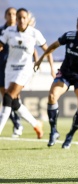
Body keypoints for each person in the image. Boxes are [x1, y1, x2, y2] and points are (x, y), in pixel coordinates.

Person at [34, 13, 78, 149]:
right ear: (77, 26)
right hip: (65, 73)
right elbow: (53, 46)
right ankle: (53, 131)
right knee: (52, 96)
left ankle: (70, 134)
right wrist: (41, 58)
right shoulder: (69, 36)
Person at [0, 8, 54, 138]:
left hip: (25, 69)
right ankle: (36, 124)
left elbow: (47, 50)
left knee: (7, 97)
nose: (21, 20)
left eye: (24, 18)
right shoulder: (9, 32)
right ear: (16, 19)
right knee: (14, 103)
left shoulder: (34, 33)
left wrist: (52, 68)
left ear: (28, 19)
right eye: (19, 18)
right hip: (10, 69)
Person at [0, 7, 23, 137]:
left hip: (15, 68)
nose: (12, 16)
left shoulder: (21, 31)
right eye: (9, 14)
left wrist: (36, 61)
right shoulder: (2, 31)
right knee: (5, 97)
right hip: (2, 67)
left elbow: (32, 48)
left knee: (13, 97)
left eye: (14, 14)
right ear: (5, 16)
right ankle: (17, 123)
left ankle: (19, 123)